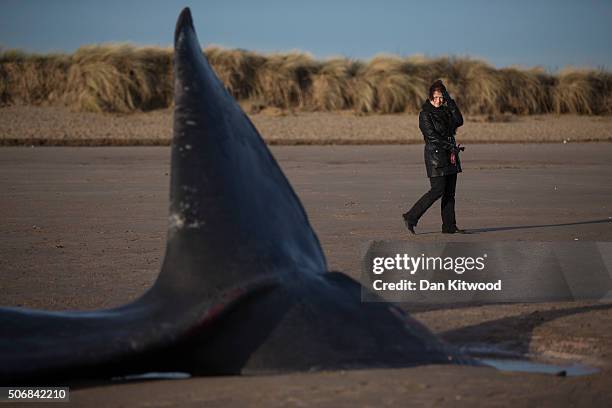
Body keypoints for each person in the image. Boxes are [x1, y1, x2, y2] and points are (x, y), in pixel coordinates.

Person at [402, 80, 466, 234]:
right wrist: (449, 146)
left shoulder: (446, 110)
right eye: (436, 97)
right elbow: (431, 136)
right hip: (436, 157)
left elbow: (459, 120)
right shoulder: (425, 114)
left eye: (441, 97)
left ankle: (449, 226)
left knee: (450, 193)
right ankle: (411, 216)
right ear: (430, 97)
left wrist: (450, 101)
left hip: (450, 155)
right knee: (437, 190)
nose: (439, 100)